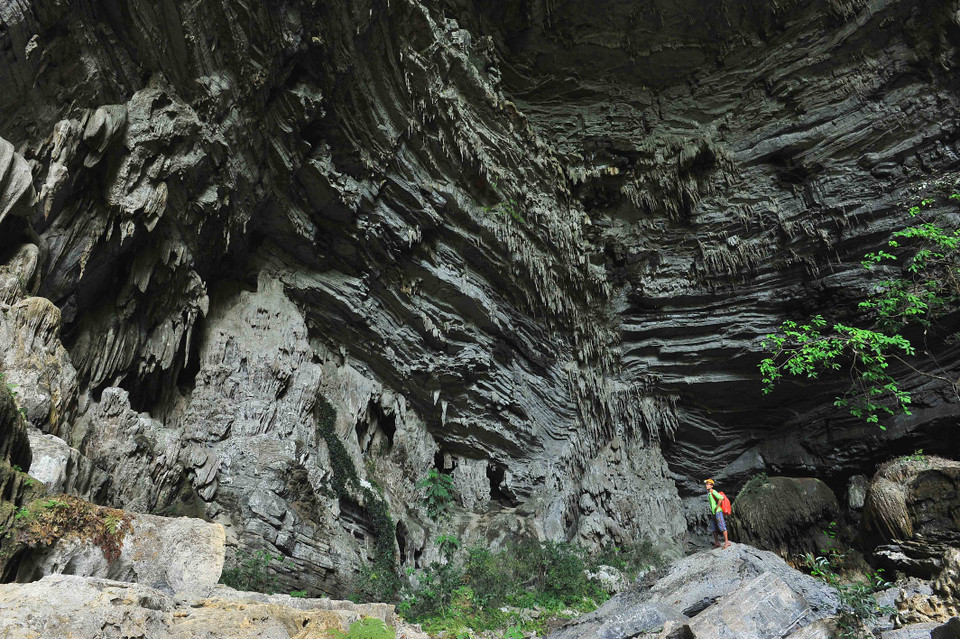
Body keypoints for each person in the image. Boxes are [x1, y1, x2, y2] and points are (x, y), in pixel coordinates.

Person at [705, 479, 730, 549]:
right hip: (714, 513)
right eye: (706, 484)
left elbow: (721, 498)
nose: (706, 485)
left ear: (712, 486)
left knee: (722, 526)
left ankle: (727, 542)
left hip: (718, 512)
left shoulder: (713, 491)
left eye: (708, 484)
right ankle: (717, 542)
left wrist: (717, 508)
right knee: (714, 528)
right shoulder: (709, 493)